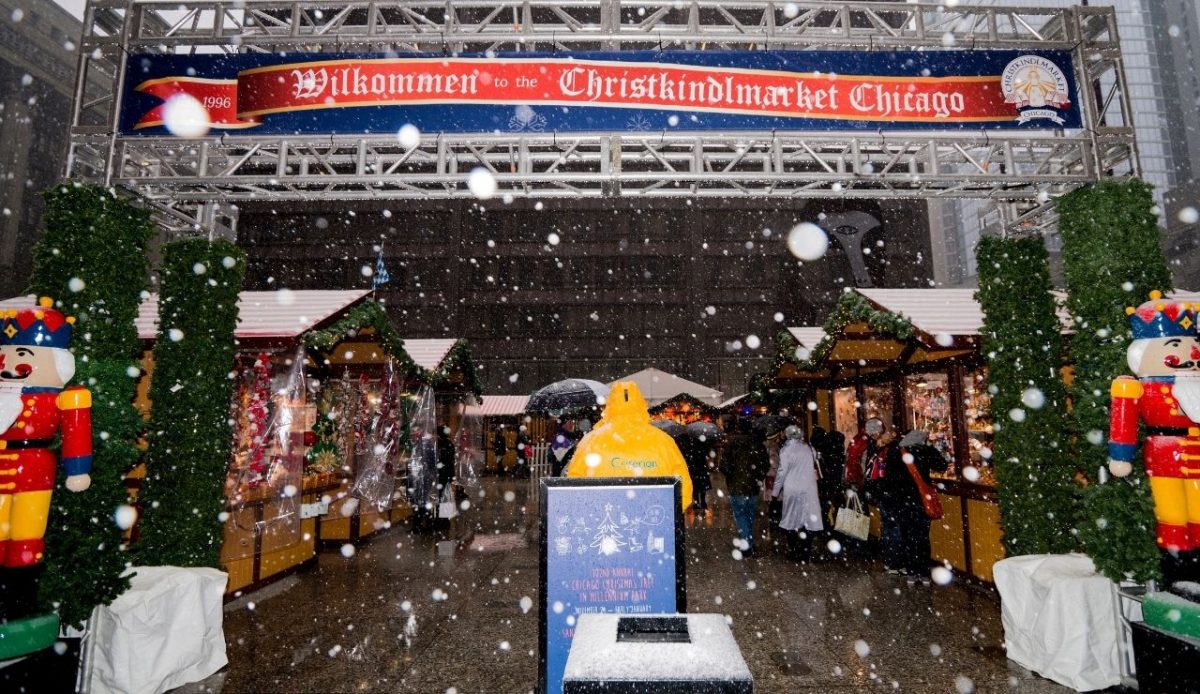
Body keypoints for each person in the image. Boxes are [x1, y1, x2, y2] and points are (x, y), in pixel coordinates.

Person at [874, 429, 949, 579]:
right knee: (922, 537)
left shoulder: (896, 452)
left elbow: (889, 478)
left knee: (907, 536)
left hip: (902, 502)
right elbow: (942, 465)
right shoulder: (925, 451)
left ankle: (912, 572)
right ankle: (923, 572)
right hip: (921, 501)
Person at [772, 426, 823, 562]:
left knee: (791, 519)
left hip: (792, 489)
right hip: (809, 488)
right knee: (808, 520)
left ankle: (794, 551)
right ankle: (805, 552)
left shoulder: (786, 450)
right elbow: (816, 464)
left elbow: (781, 472)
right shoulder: (809, 448)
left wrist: (775, 492)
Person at [719, 418, 768, 555]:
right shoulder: (758, 444)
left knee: (740, 515)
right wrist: (757, 476)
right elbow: (765, 465)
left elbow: (723, 466)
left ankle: (746, 545)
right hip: (753, 486)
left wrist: (732, 475)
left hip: (737, 487)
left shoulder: (731, 444)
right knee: (750, 515)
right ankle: (749, 541)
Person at [407, 423, 437, 533]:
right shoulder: (415, 443)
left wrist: (429, 474)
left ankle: (425, 526)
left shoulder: (426, 443)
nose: (415, 432)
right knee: (418, 501)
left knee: (422, 501)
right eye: (413, 430)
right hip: (417, 477)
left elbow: (431, 461)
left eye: (417, 430)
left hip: (424, 477)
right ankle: (419, 526)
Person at [813, 427, 846, 523]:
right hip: (836, 486)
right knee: (839, 507)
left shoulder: (825, 455)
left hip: (827, 486)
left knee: (825, 508)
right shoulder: (839, 456)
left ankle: (827, 527)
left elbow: (823, 473)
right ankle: (838, 528)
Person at [680, 432, 713, 512]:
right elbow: (707, 453)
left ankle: (697, 502)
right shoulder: (703, 443)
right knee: (702, 485)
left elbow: (687, 455)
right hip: (701, 466)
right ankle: (702, 501)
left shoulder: (689, 443)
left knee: (695, 485)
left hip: (694, 467)